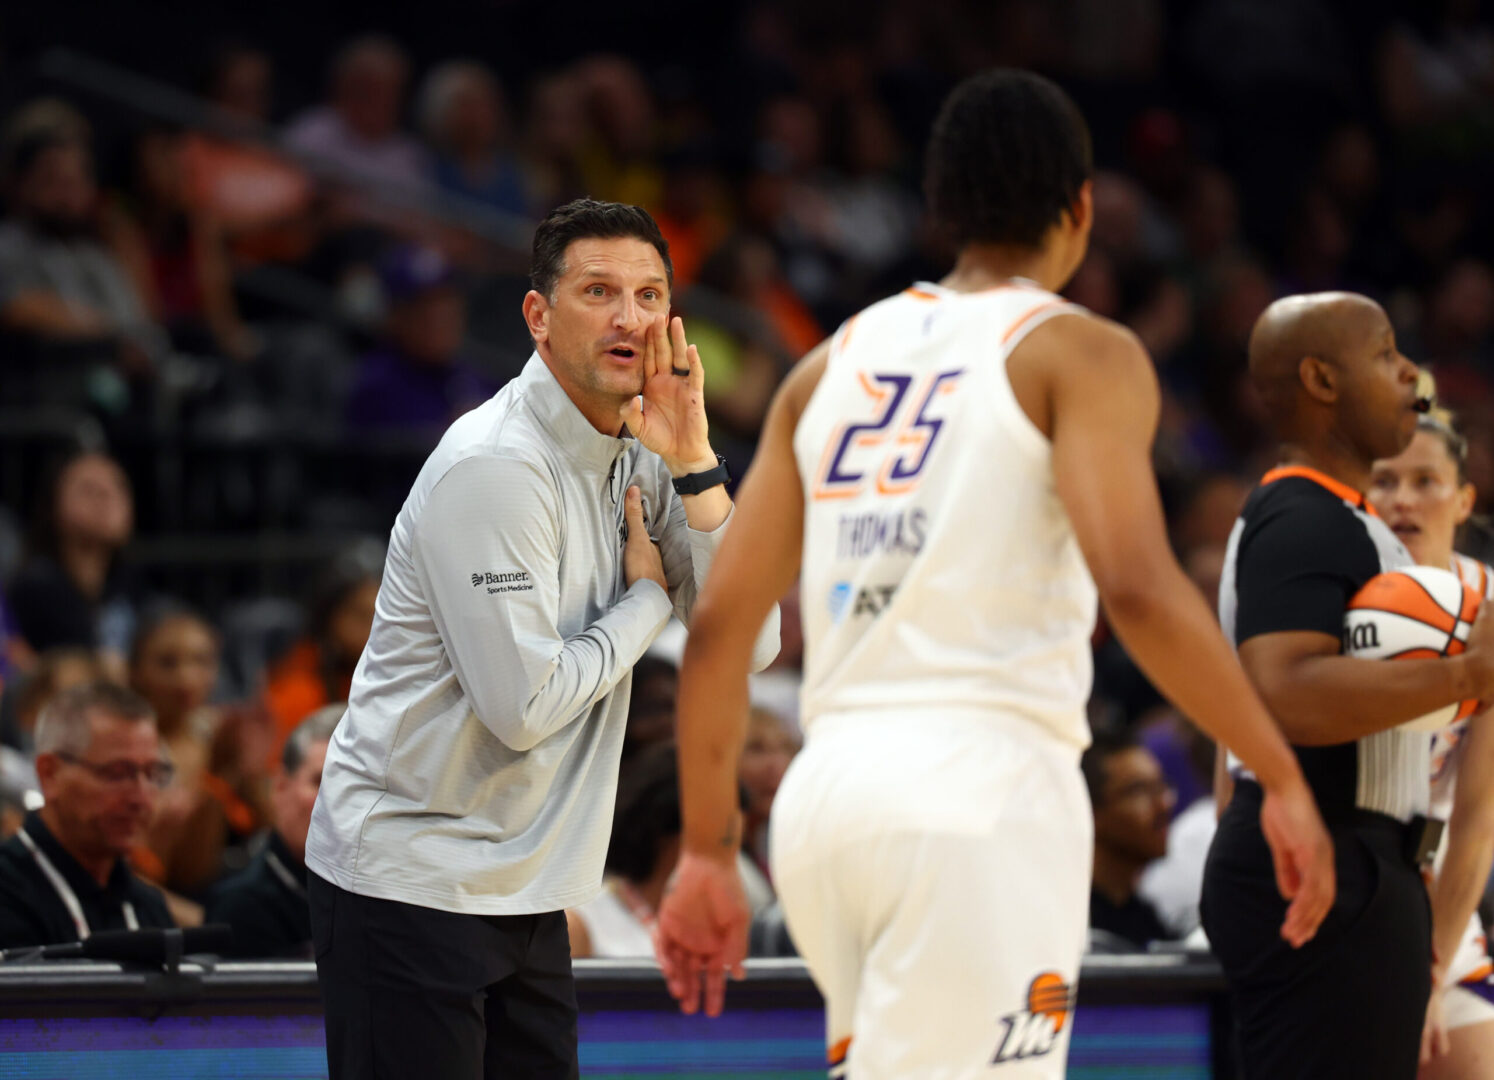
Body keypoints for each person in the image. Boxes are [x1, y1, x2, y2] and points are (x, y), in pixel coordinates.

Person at [653, 69, 1333, 1080]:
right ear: (1082, 208)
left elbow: (718, 630)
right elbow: (1139, 587)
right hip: (979, 797)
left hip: (828, 799)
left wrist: (707, 848)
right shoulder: (1080, 352)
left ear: (940, 209)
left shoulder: (825, 365)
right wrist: (1277, 771)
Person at [304, 198, 779, 1079]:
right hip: (411, 879)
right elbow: (523, 708)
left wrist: (698, 460)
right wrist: (647, 601)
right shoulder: (495, 465)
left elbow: (750, 645)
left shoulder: (653, 445)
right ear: (538, 316)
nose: (629, 317)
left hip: (532, 885)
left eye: (647, 294)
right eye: (599, 291)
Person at [1200, 293, 1494, 1080]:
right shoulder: (1301, 515)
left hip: (1365, 861)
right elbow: (1284, 693)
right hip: (1326, 864)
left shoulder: (1346, 521)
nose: (1411, 373)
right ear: (1321, 380)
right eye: (1386, 353)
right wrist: (1468, 673)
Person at [1369, 411, 1494, 1078]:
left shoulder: (1492, 607)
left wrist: (1429, 976)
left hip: (1438, 884)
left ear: (1465, 498)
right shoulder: (1332, 595)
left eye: (1427, 480)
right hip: (1337, 879)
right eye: (1385, 481)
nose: (1404, 499)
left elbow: (1477, 820)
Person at [0, 682, 173, 947]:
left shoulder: (148, 906)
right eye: (117, 773)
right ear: (50, 773)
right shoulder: (8, 892)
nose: (141, 798)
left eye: (152, 773)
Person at [207, 704, 340, 958]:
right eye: (320, 781)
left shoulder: (388, 896)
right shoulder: (241, 908)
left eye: (352, 787)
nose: (336, 800)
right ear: (280, 787)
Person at [343, 246, 496, 437]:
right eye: (423, 308)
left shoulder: (472, 377)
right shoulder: (375, 386)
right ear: (395, 316)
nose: (439, 320)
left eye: (446, 304)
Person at [7, 451, 140, 669]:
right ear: (53, 505)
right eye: (88, 490)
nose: (107, 497)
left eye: (118, 487)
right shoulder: (34, 587)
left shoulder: (130, 583)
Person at [1081, 730, 1176, 951]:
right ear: (1090, 811)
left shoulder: (1147, 919)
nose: (1164, 804)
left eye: (1161, 787)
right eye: (1140, 791)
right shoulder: (1074, 925)